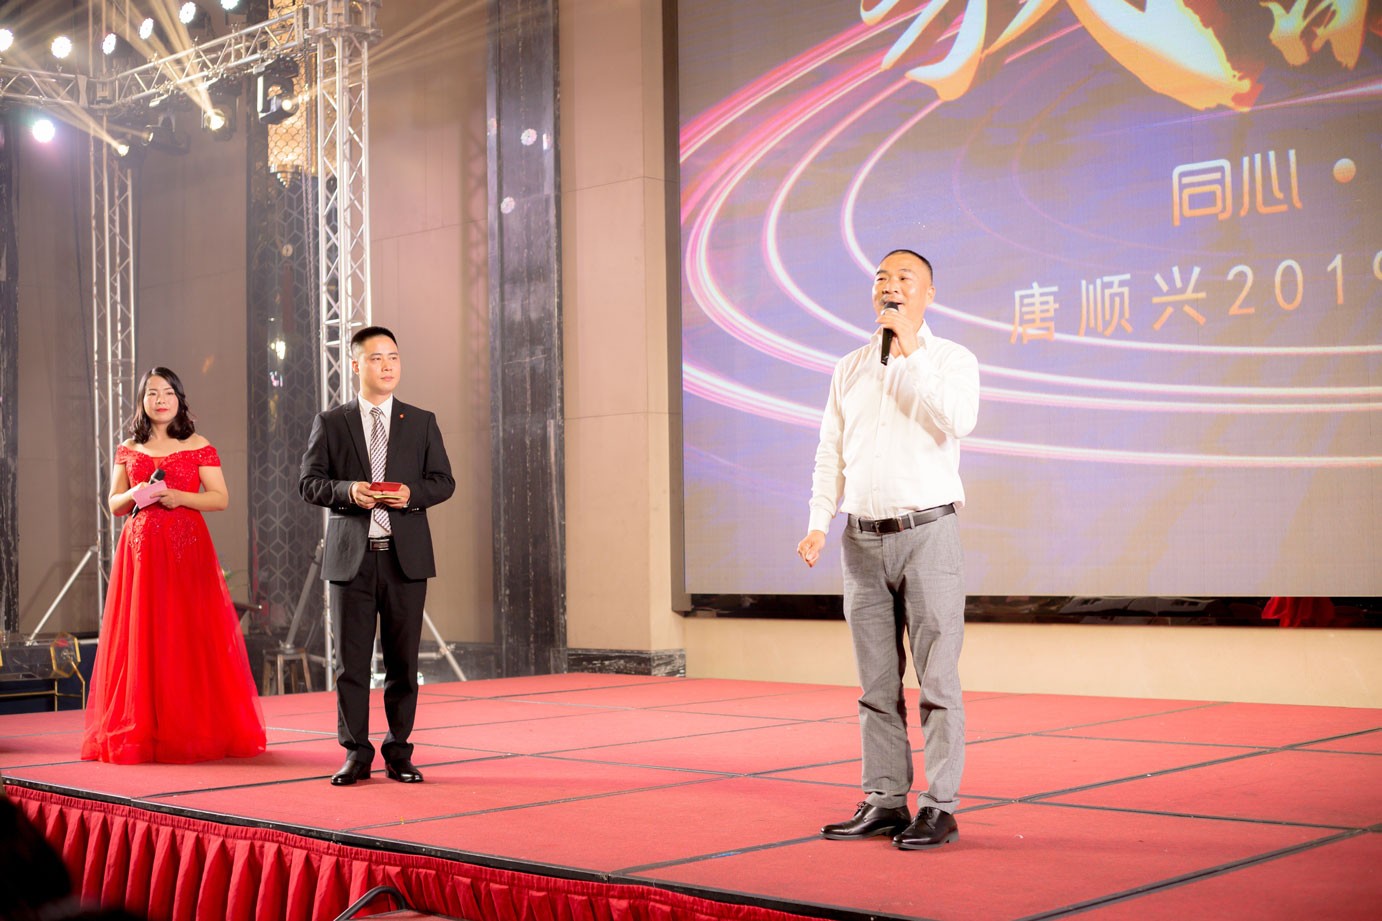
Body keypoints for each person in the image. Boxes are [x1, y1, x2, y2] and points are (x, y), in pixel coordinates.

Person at [797, 249, 979, 850]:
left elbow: (958, 420)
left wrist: (911, 352)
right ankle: (884, 799)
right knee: (876, 687)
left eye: (904, 278)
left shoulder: (951, 359)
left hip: (928, 535)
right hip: (861, 540)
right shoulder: (849, 367)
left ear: (928, 295)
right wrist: (819, 521)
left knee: (937, 682)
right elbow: (831, 451)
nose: (889, 286)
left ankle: (940, 807)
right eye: (881, 278)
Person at [81, 367, 267, 764]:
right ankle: (142, 729)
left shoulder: (198, 445)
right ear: (142, 401)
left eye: (168, 392)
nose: (160, 400)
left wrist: (180, 497)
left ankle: (190, 726)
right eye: (152, 393)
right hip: (140, 557)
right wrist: (136, 491)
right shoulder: (128, 448)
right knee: (142, 635)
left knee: (185, 633)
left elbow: (220, 498)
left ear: (179, 399)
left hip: (186, 552)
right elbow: (114, 504)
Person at [299, 326, 455, 786]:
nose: (387, 366)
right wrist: (349, 491)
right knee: (351, 665)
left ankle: (399, 752)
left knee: (404, 663)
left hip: (405, 559)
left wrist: (410, 495)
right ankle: (356, 753)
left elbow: (443, 481)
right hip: (352, 559)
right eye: (375, 358)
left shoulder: (421, 421)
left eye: (393, 358)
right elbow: (309, 483)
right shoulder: (332, 422)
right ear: (355, 365)